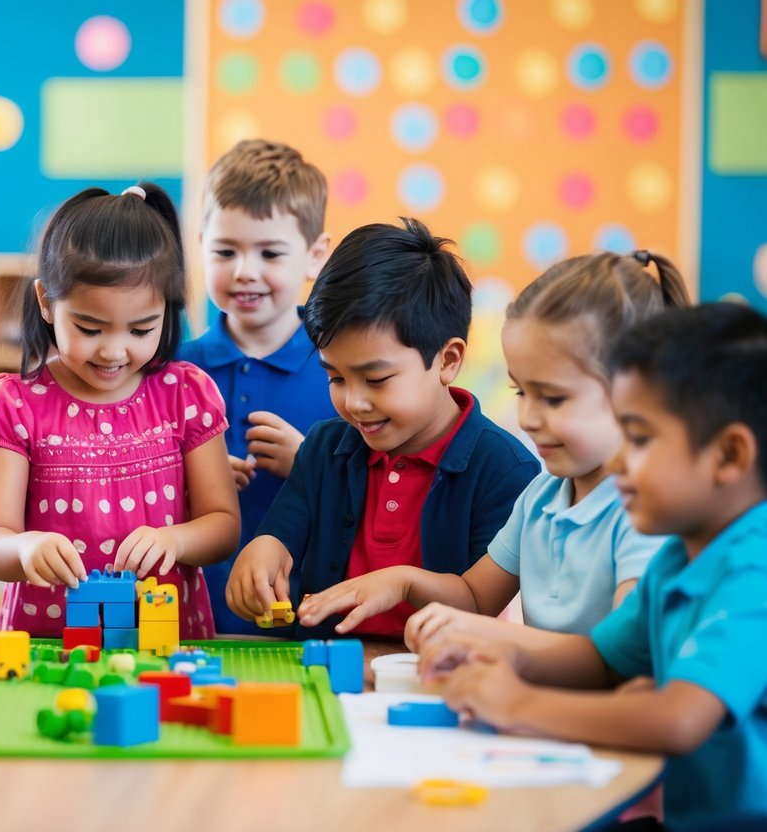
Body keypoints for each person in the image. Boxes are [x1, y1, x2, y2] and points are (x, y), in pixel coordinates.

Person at [423, 303, 767, 829]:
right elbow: (606, 661)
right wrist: (506, 656)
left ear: (729, 456)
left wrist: (519, 704)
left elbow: (678, 718)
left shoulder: (754, 569)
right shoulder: (681, 552)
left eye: (640, 439)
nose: (618, 461)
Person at [299, 251, 689, 646]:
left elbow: (617, 657)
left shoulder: (648, 516)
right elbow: (474, 598)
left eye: (553, 399)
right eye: (521, 392)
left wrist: (500, 648)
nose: (528, 418)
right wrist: (402, 582)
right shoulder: (541, 498)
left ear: (641, 394)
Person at [225, 218, 540, 639]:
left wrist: (403, 582)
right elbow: (280, 533)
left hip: (435, 674)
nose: (353, 402)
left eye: (376, 380)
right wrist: (262, 554)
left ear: (447, 360)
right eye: (336, 377)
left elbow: (481, 603)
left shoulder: (504, 468)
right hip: (325, 667)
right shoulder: (324, 448)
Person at [0, 183, 239, 638]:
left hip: (166, 640)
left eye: (140, 329)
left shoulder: (185, 394)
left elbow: (224, 526)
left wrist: (173, 540)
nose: (114, 351)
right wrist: (23, 548)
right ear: (45, 303)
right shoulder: (15, 405)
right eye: (90, 328)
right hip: (49, 645)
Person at [178, 139, 336, 635]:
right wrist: (190, 477)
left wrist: (310, 466)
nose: (245, 270)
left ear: (314, 257)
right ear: (201, 244)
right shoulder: (175, 371)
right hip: (187, 619)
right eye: (225, 251)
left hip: (307, 623)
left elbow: (373, 490)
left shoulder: (340, 371)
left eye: (269, 252)